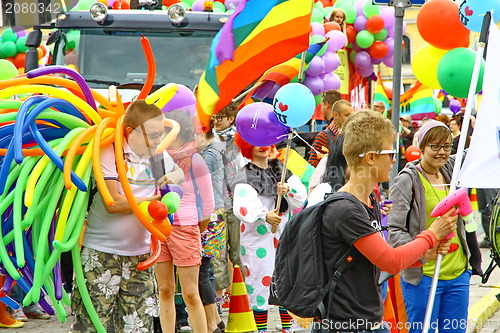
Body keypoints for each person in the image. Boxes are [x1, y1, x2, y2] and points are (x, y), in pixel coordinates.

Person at [314, 111, 457, 332]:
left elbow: (377, 261)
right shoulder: (345, 209)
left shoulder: (368, 200)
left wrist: (420, 257)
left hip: (367, 319)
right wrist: (432, 235)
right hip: (346, 324)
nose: (394, 160)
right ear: (371, 157)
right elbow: (390, 260)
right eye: (390, 153)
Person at [70, 100, 184, 333]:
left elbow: (179, 172)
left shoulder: (157, 155)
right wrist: (153, 202)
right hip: (102, 256)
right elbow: (114, 203)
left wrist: (174, 177)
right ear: (131, 133)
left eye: (161, 134)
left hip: (140, 258)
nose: (157, 140)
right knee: (93, 326)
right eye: (152, 135)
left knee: (138, 328)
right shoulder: (109, 151)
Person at [388, 119, 482, 333]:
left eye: (447, 146)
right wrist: (422, 250)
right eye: (435, 146)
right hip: (424, 277)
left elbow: (476, 152)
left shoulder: (452, 168)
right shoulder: (406, 181)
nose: (442, 152)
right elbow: (394, 232)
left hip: (458, 275)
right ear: (421, 147)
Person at [232, 132, 307, 333]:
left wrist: (288, 189)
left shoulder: (281, 169)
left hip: (283, 236)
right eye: (257, 143)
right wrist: (264, 216)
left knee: (285, 280)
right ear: (248, 147)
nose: (263, 147)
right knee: (259, 282)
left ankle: (287, 328)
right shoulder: (245, 174)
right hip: (257, 240)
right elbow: (242, 205)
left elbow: (300, 197)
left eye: (266, 142)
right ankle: (262, 330)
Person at [156, 110, 215, 333]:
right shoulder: (158, 158)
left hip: (186, 227)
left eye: (165, 131)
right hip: (160, 226)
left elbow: (208, 204)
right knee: (165, 290)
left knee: (191, 293)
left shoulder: (195, 160)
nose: (160, 136)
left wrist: (196, 229)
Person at [209, 102, 246, 311]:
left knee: (237, 251)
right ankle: (220, 297)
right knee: (218, 252)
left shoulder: (240, 139)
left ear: (231, 119)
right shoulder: (209, 139)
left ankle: (239, 293)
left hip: (236, 201)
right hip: (217, 202)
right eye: (215, 118)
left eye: (221, 118)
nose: (217, 121)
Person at [308, 97, 352, 168]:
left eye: (352, 115)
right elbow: (312, 166)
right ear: (336, 115)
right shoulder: (323, 137)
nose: (350, 119)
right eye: (347, 115)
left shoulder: (353, 136)